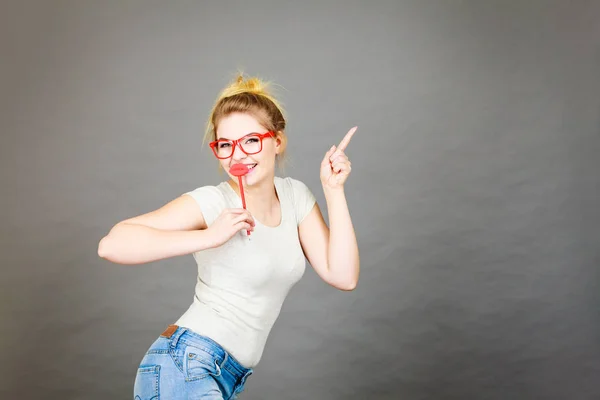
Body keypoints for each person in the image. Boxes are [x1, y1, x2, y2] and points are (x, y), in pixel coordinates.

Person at [98, 74, 360, 399]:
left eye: (251, 140)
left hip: (227, 375)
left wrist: (333, 191)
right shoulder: (214, 201)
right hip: (185, 364)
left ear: (277, 141)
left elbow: (344, 276)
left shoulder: (296, 197)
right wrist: (210, 236)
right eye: (225, 145)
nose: (237, 155)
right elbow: (112, 244)